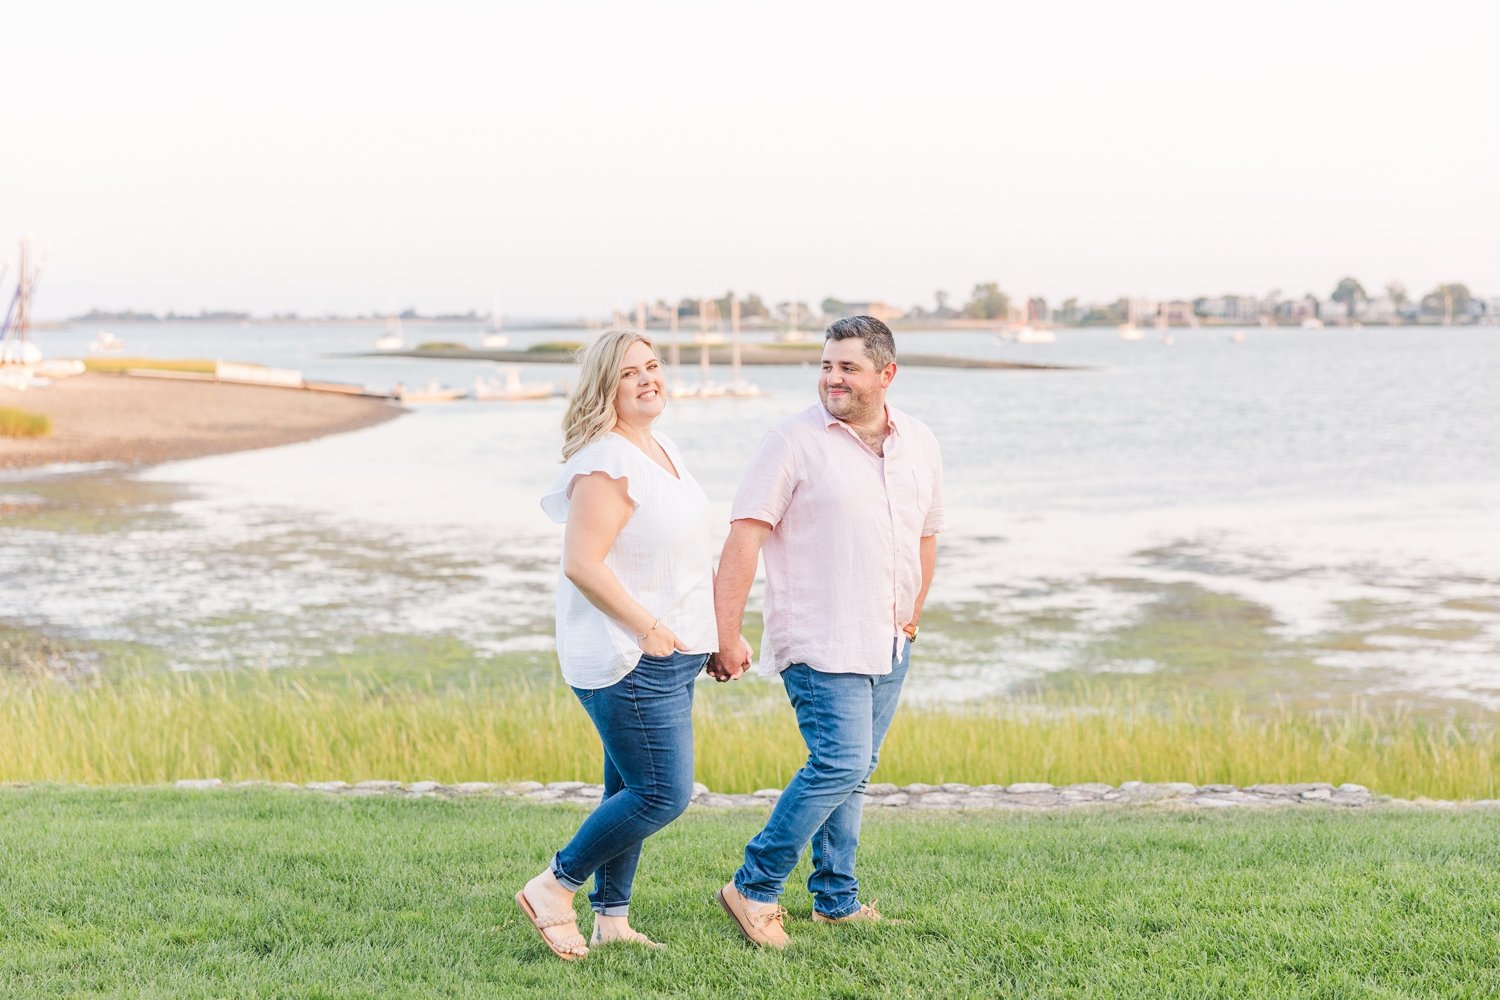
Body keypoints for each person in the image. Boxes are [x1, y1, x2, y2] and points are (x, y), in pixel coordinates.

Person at [711, 315, 944, 948]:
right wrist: (724, 633)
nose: (832, 378)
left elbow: (926, 533)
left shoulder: (919, 441)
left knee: (855, 770)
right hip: (820, 636)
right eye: (825, 365)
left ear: (886, 375)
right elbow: (745, 536)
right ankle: (753, 887)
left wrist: (914, 610)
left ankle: (835, 900)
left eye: (847, 367)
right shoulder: (790, 441)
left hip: (891, 640)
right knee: (839, 761)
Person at [516, 327, 737, 961]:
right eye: (628, 372)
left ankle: (611, 920)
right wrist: (649, 630)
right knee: (662, 793)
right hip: (630, 658)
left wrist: (716, 634)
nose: (648, 378)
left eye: (653, 365)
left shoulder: (660, 446)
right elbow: (582, 563)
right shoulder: (605, 463)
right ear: (603, 388)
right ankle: (553, 886)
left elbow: (685, 559)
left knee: (628, 792)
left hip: (674, 653)